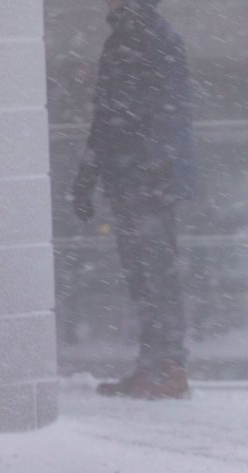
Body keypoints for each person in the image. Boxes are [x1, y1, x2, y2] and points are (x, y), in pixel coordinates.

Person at [72, 0, 196, 399]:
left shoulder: (144, 38)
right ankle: (157, 366)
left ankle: (166, 367)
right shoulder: (133, 37)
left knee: (152, 273)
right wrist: (92, 173)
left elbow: (153, 110)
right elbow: (114, 113)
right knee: (147, 274)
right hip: (135, 175)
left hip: (140, 176)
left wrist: (148, 168)